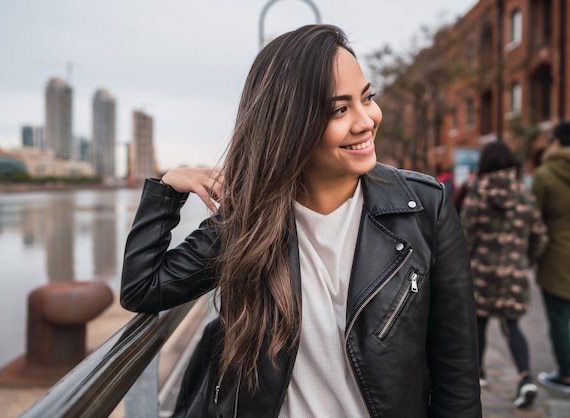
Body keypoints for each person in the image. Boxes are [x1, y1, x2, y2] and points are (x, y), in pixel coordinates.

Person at [120, 24, 482, 417]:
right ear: (290, 124)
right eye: (340, 110)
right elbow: (143, 287)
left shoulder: (424, 208)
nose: (366, 121)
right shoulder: (249, 224)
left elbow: (457, 374)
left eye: (367, 98)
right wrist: (167, 189)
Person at [459, 141, 548, 409]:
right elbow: (540, 235)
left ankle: (478, 373)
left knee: (479, 324)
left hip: (481, 274)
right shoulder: (523, 192)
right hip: (514, 273)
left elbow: (465, 232)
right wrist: (526, 259)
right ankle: (525, 378)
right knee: (513, 328)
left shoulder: (477, 190)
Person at [532, 120, 570, 394]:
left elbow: (535, 221)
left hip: (557, 256)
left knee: (559, 318)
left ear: (556, 142)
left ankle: (566, 374)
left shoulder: (545, 175)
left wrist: (532, 255)